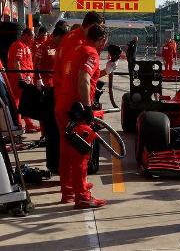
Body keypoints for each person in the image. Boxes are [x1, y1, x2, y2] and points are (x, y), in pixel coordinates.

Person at [55, 25, 117, 208]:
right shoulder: (91, 53)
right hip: (76, 109)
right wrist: (88, 107)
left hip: (63, 105)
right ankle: (81, 195)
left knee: (66, 151)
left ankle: (68, 189)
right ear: (102, 40)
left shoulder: (78, 49)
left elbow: (85, 75)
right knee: (81, 151)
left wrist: (106, 71)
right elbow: (83, 77)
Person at [54, 11, 104, 101]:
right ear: (92, 26)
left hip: (64, 92)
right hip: (73, 97)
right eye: (99, 27)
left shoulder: (71, 35)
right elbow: (81, 76)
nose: (99, 30)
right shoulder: (81, 44)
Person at [7, 28, 40, 133]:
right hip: (19, 79)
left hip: (26, 78)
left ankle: (27, 124)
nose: (33, 39)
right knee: (18, 101)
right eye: (32, 37)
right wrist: (21, 78)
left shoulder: (25, 46)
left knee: (24, 101)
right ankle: (19, 124)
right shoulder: (19, 46)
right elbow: (16, 63)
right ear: (26, 35)